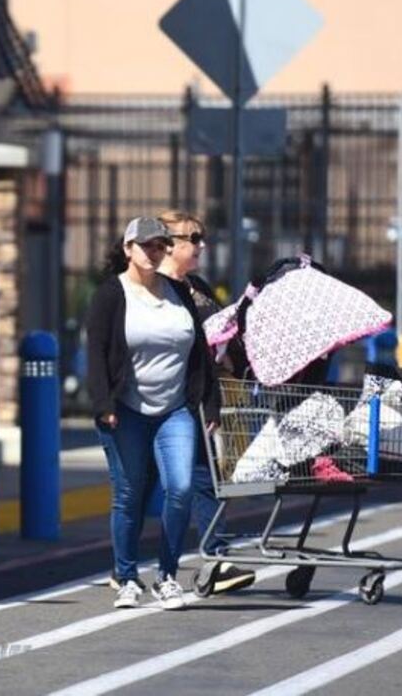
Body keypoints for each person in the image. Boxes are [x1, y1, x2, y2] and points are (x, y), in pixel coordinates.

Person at [86, 216, 220, 610]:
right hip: (126, 410)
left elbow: (201, 352)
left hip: (175, 409)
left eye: (160, 245)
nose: (154, 252)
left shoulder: (179, 292)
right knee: (128, 494)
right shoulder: (112, 294)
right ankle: (127, 577)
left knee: (178, 489)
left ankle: (166, 576)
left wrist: (208, 401)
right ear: (128, 249)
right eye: (145, 245)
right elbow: (95, 353)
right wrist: (102, 404)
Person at [156, 209, 256, 595]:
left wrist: (232, 354)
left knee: (196, 479)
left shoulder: (196, 286)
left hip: (198, 397)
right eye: (192, 238)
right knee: (161, 483)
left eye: (201, 237)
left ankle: (215, 558)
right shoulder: (155, 289)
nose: (201, 245)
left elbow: (218, 333)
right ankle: (213, 556)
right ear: (167, 244)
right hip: (165, 399)